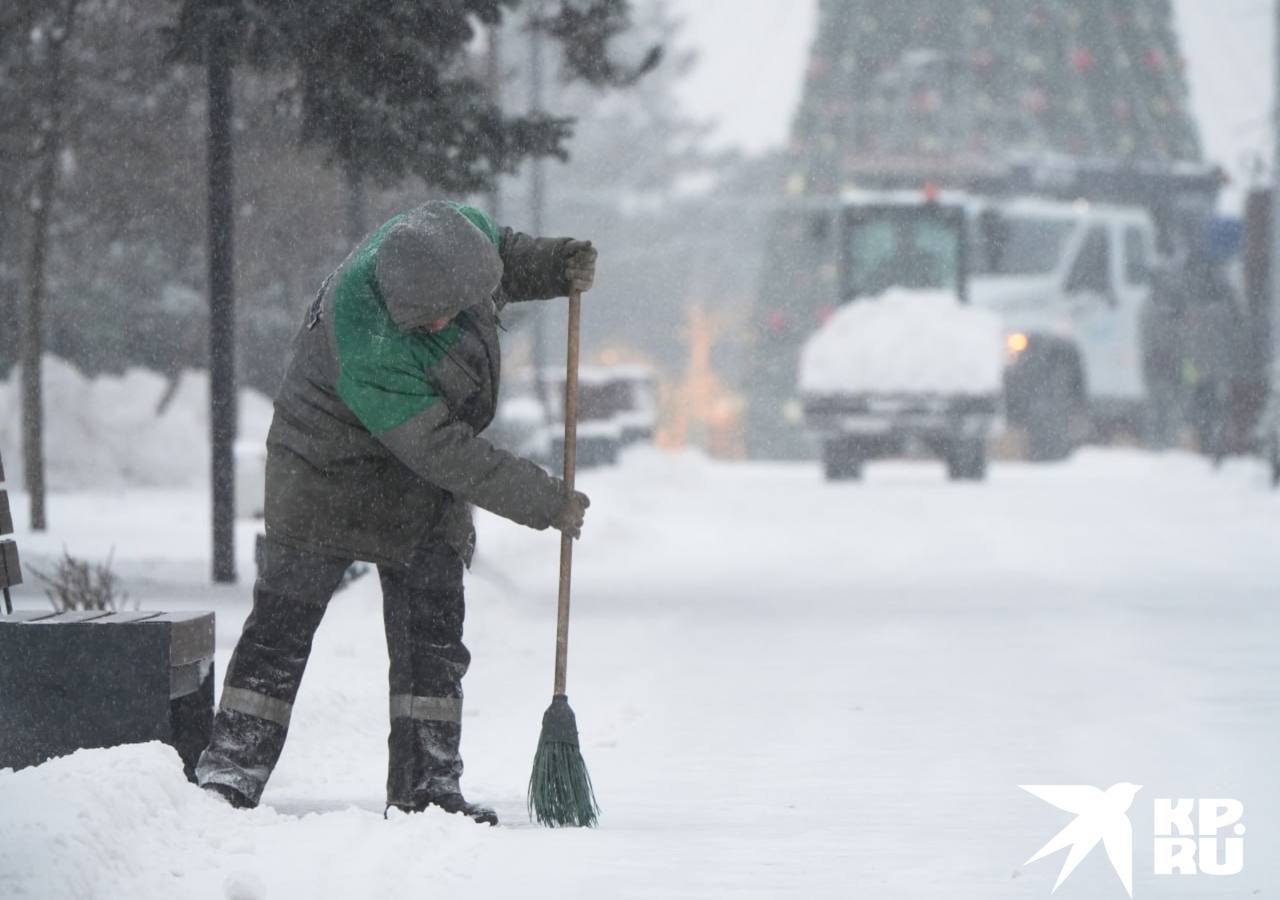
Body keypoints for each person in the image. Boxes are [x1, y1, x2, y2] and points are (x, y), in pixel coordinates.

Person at [196, 201, 596, 825]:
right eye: (428, 319)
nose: (440, 320)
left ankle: (427, 789)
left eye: (446, 309)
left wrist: (553, 264)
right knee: (283, 626)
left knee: (432, 629)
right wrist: (543, 500)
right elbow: (444, 451)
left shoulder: (449, 236)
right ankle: (229, 775)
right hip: (325, 472)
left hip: (412, 471)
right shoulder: (370, 341)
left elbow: (498, 260)